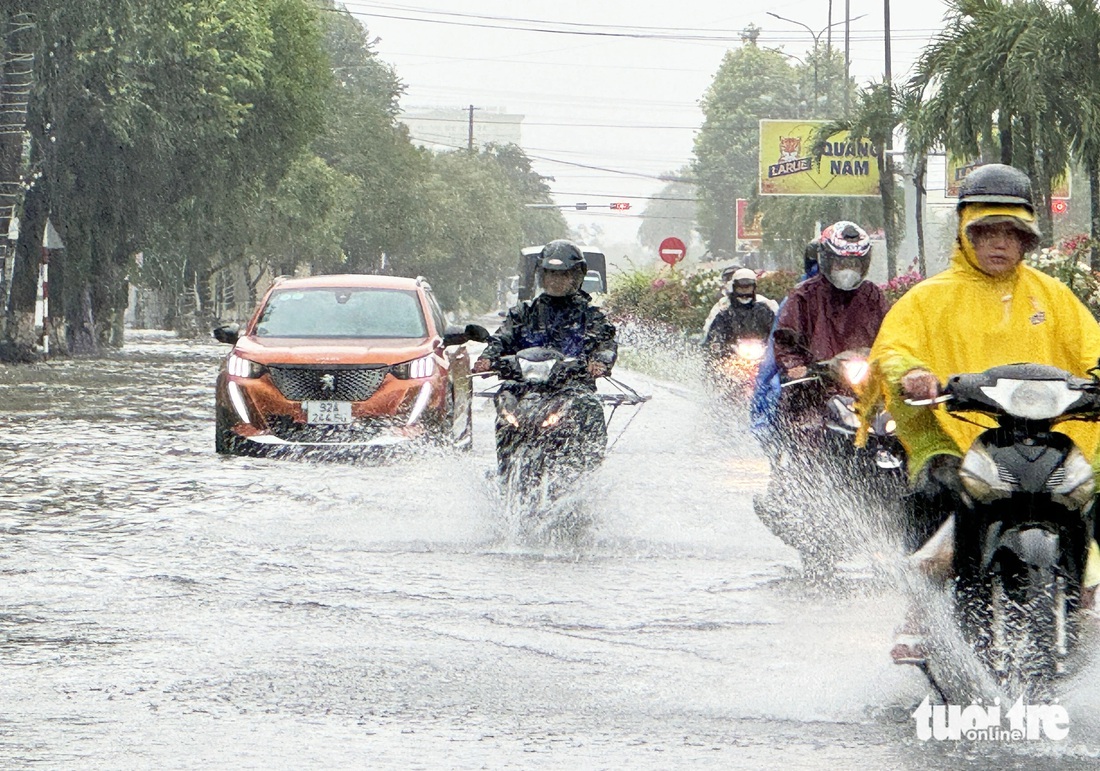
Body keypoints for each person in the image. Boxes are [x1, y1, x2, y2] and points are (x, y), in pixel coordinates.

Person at [864, 163, 1100, 662]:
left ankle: (1085, 594)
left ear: (1027, 240)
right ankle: (919, 612)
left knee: (1089, 486)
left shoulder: (1052, 296)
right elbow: (894, 349)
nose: (999, 243)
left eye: (1012, 233)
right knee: (938, 488)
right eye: (986, 231)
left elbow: (1091, 349)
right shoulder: (929, 298)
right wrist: (912, 373)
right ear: (964, 232)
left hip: (1046, 434)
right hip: (953, 434)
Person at [473, 240, 618, 467]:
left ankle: (586, 467)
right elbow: (502, 337)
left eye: (563, 275)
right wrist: (488, 358)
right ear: (541, 276)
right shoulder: (524, 312)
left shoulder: (591, 317)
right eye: (550, 274)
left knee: (589, 406)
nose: (556, 280)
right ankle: (506, 468)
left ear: (576, 277)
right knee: (504, 403)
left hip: (570, 388)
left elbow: (606, 344)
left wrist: (599, 361)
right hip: (523, 387)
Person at [703, 268, 776, 355]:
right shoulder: (723, 307)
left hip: (761, 354)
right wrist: (718, 345)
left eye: (748, 287)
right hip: (732, 354)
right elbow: (712, 331)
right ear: (734, 287)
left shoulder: (765, 307)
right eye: (740, 287)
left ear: (754, 287)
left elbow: (775, 328)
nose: (744, 290)